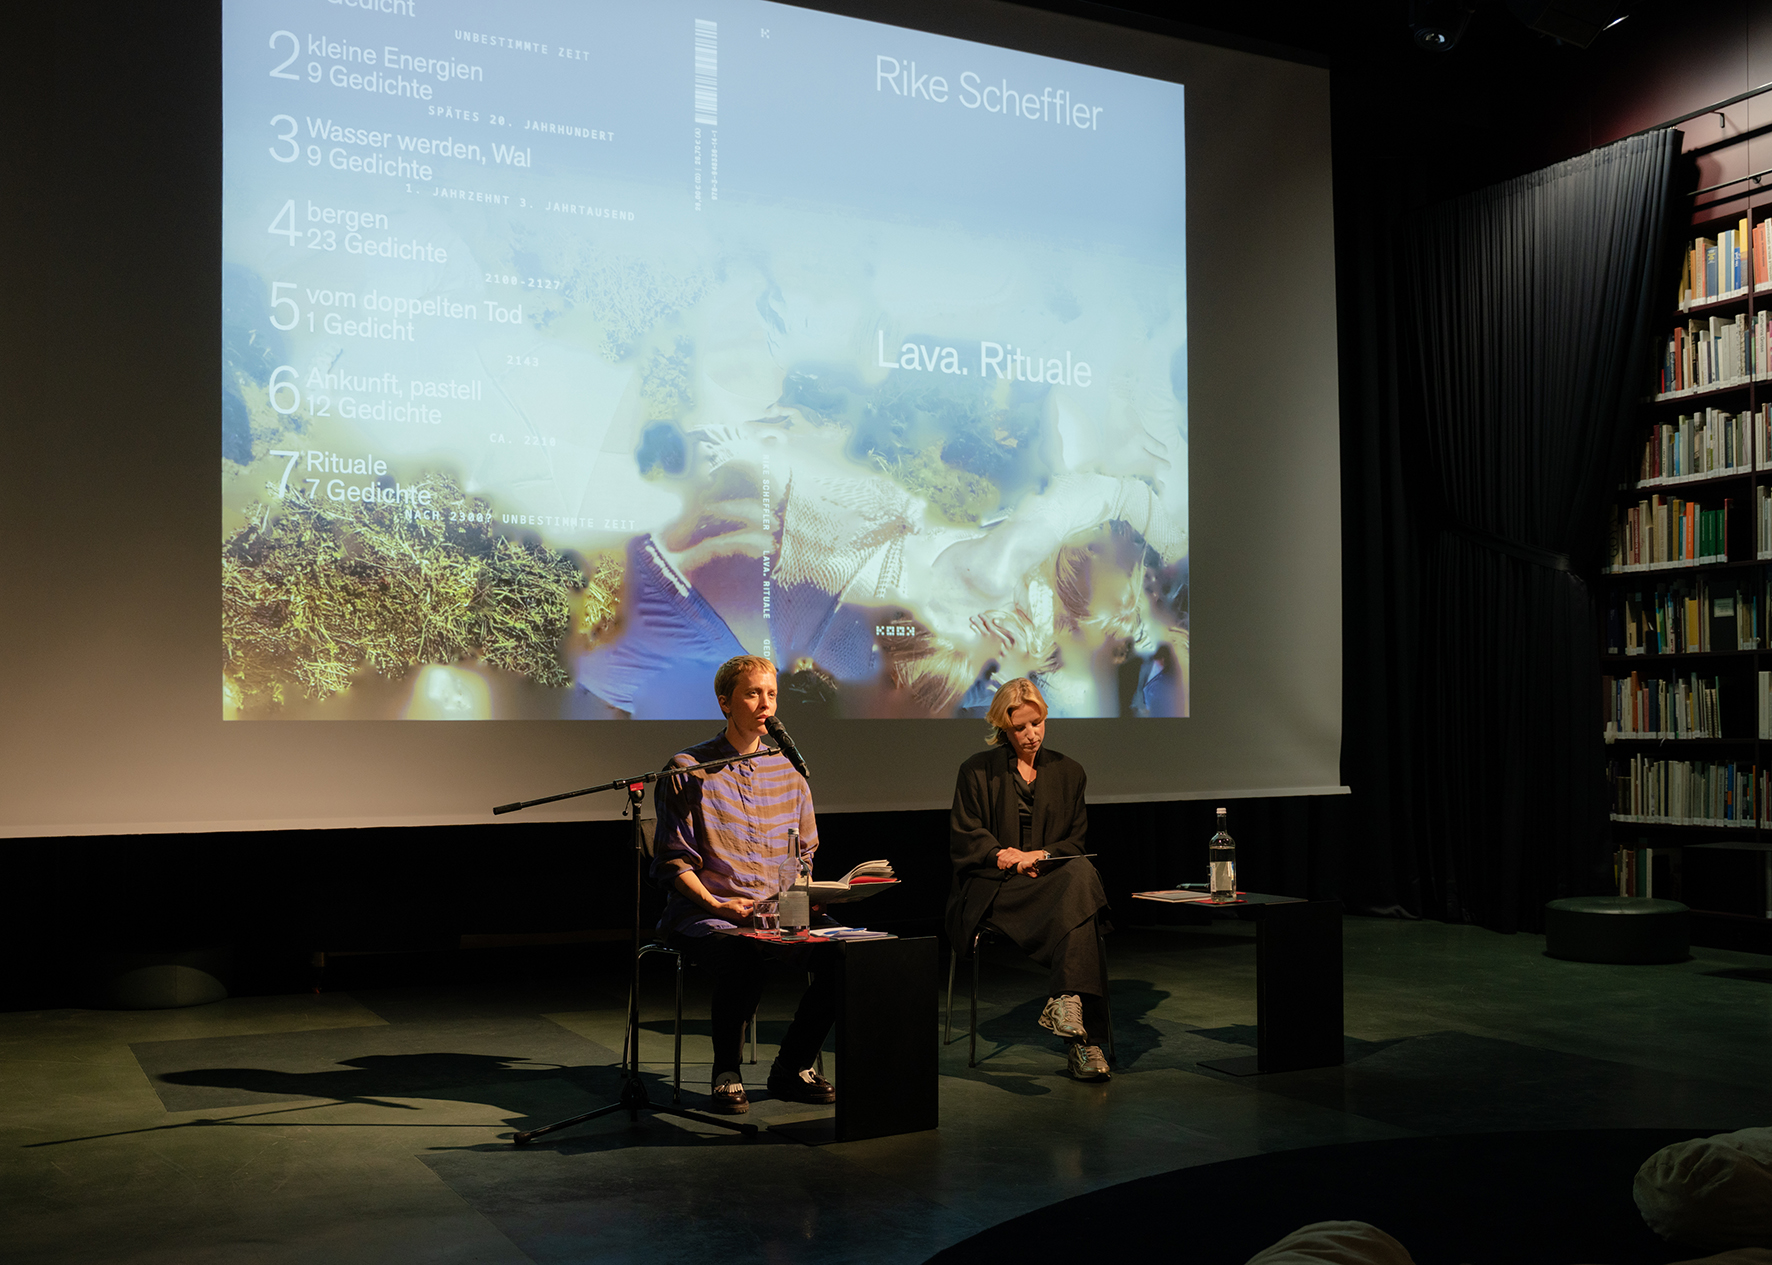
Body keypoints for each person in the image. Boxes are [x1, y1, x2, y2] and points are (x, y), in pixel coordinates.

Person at [651, 653, 838, 1113]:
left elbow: (805, 855)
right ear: (725, 702)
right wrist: (718, 906)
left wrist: (805, 896)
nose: (765, 704)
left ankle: (792, 1066)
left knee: (844, 956)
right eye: (753, 693)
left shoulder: (789, 769)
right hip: (707, 915)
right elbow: (674, 862)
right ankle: (726, 1072)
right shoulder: (688, 768)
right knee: (743, 960)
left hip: (776, 912)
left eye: (771, 694)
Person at [947, 677, 1113, 1080]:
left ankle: (1067, 1004)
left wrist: (1040, 856)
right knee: (1082, 905)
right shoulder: (976, 771)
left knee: (1079, 874)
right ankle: (1084, 1043)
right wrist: (1007, 858)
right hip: (995, 889)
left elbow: (1074, 841)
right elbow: (966, 836)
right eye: (1020, 727)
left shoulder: (1070, 772)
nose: (1031, 734)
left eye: (1037, 723)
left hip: (1049, 882)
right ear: (1003, 727)